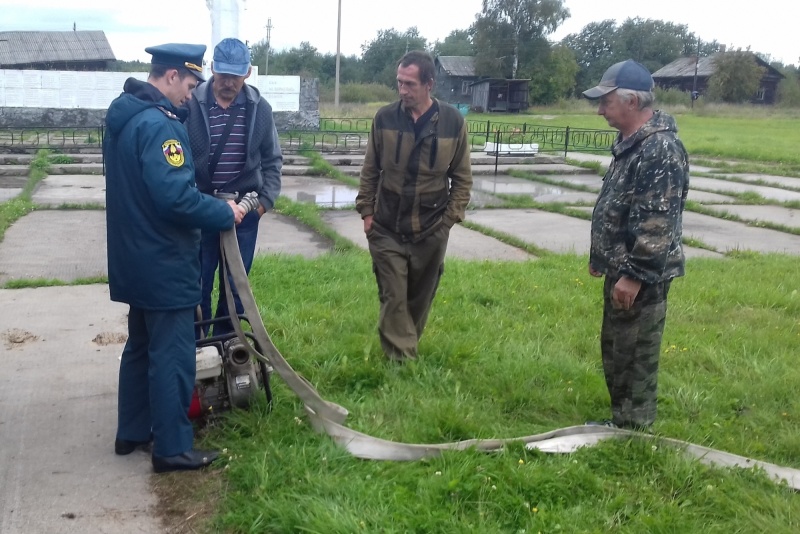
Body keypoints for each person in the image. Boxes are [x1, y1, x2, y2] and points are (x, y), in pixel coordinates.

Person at [104, 43, 245, 473]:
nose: (191, 94)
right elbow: (175, 200)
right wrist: (224, 211)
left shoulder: (122, 115)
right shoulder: (161, 127)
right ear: (169, 77)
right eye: (188, 83)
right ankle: (172, 447)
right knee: (173, 356)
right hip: (164, 261)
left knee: (141, 347)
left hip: (133, 257)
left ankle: (131, 430)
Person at [582, 59, 690, 430]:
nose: (600, 110)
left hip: (641, 275)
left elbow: (657, 223)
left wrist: (635, 275)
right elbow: (622, 206)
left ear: (631, 102)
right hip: (621, 267)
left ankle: (635, 430)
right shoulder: (632, 143)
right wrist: (603, 257)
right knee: (616, 349)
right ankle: (622, 420)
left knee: (635, 352)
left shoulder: (659, 149)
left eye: (606, 101)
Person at [355, 50, 472, 362]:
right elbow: (370, 169)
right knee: (393, 295)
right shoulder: (384, 118)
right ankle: (403, 362)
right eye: (399, 83)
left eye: (409, 84)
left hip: (432, 227)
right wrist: (367, 212)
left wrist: (448, 221)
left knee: (420, 297)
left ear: (429, 84)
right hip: (386, 226)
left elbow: (462, 178)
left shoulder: (452, 122)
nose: (402, 90)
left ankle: (405, 345)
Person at [185, 37, 282, 337]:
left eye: (235, 76)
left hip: (244, 213)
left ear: (248, 73)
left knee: (236, 287)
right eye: (223, 74)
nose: (228, 82)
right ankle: (198, 346)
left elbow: (272, 160)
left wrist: (262, 204)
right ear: (213, 68)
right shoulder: (191, 104)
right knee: (197, 282)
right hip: (202, 210)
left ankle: (227, 346)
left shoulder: (259, 109)